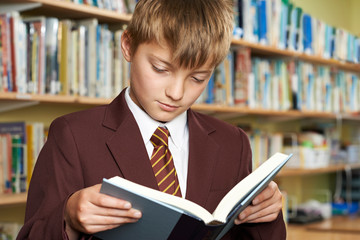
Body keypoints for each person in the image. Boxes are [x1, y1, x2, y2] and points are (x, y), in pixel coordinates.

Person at [17, 0, 286, 239]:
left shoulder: (233, 142)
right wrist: (69, 219)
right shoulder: (72, 135)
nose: (176, 93)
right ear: (128, 46)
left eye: (198, 78)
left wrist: (266, 214)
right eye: (160, 69)